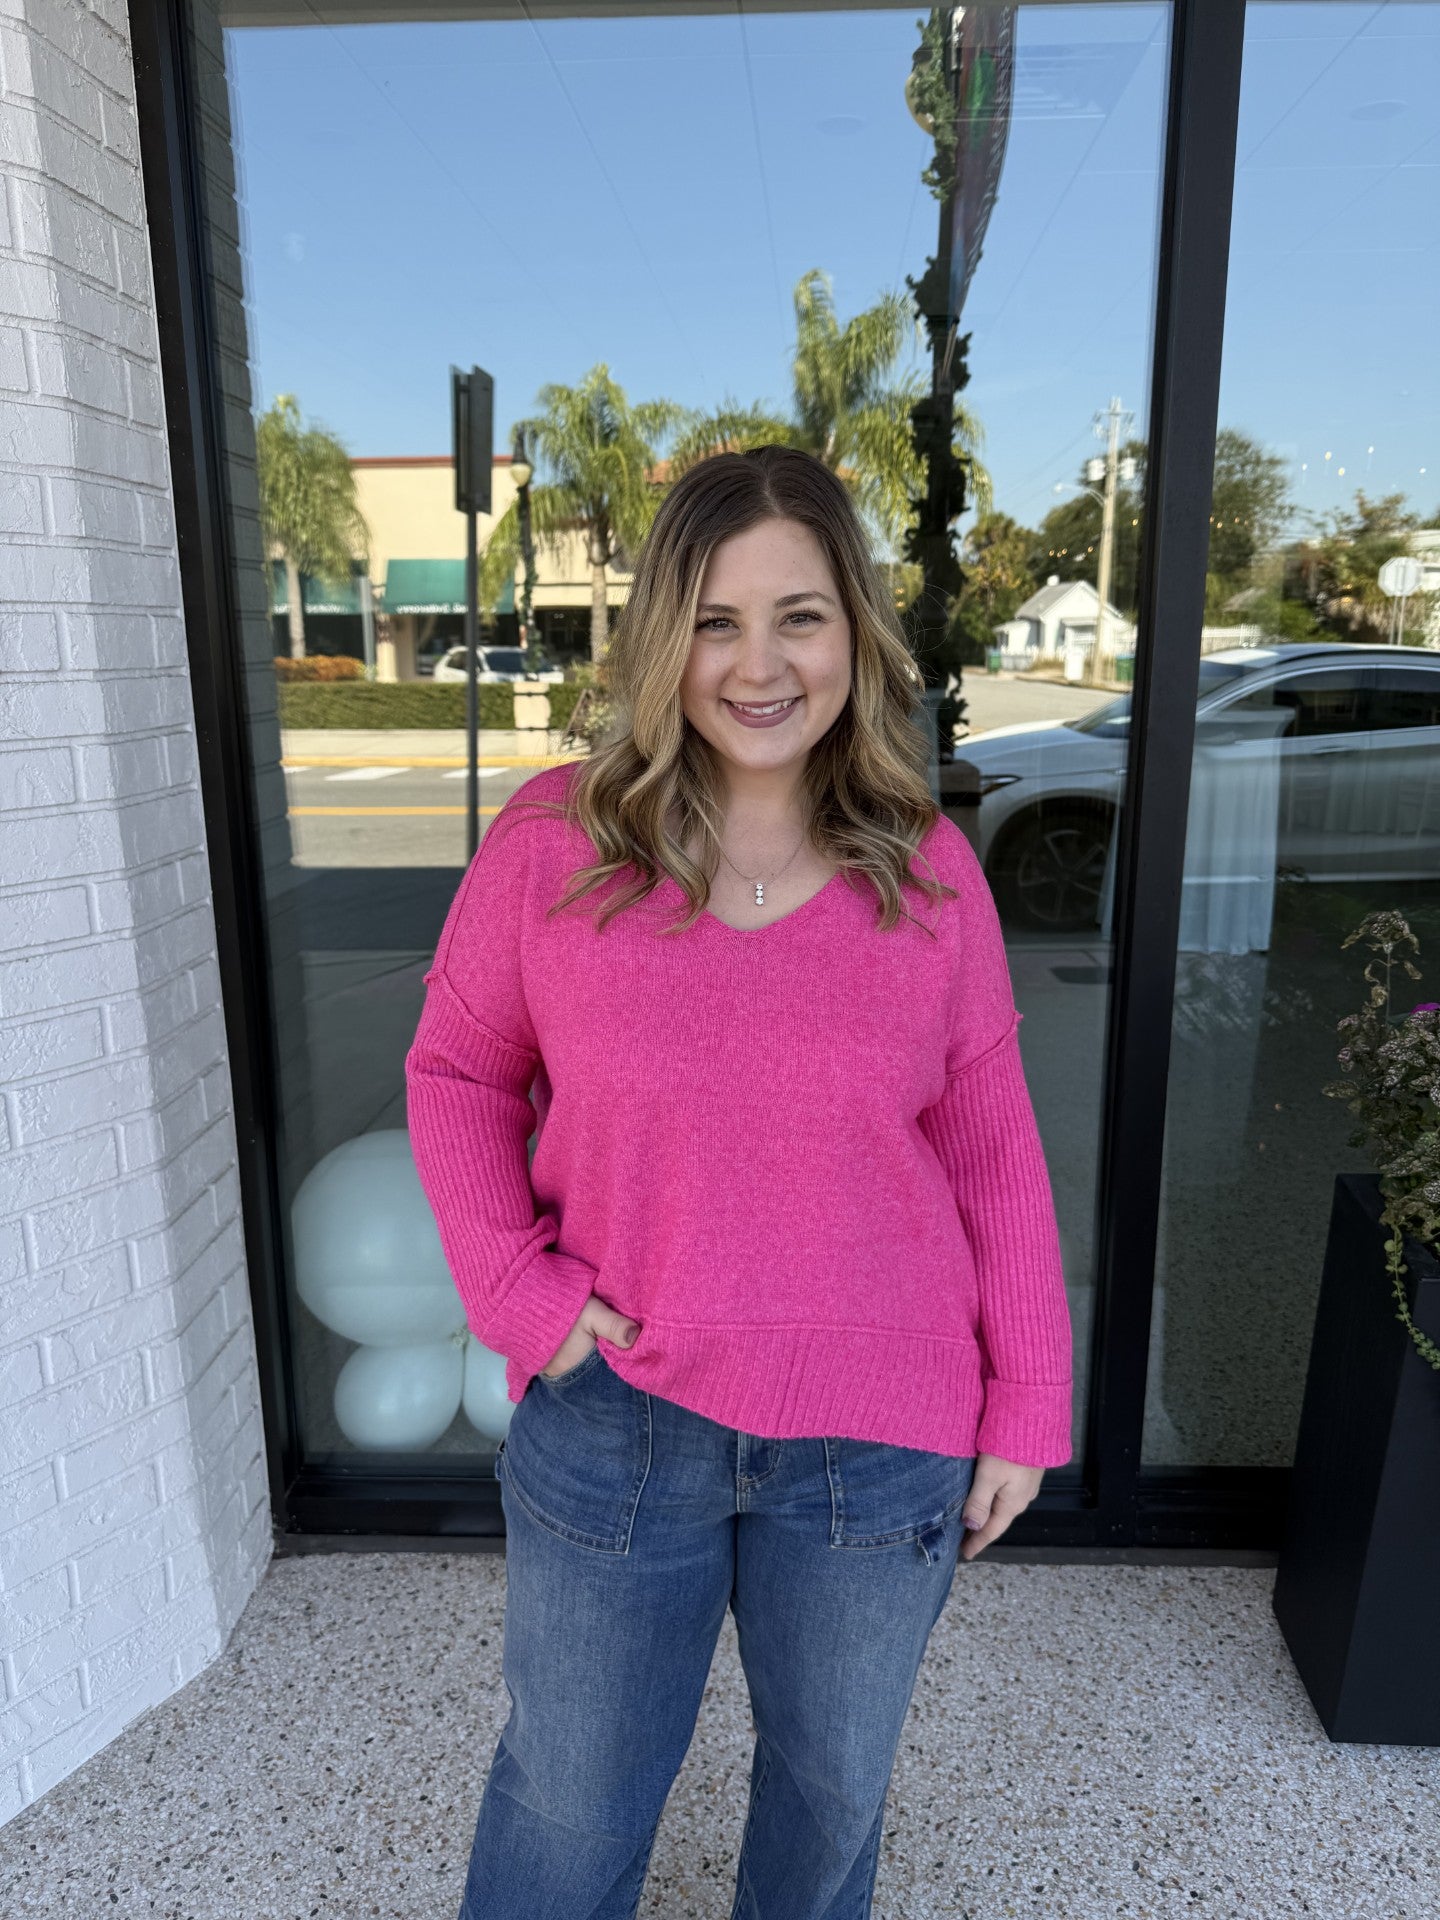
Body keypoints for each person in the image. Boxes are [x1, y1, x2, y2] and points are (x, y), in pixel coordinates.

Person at [405, 444, 1073, 1920]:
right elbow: (456, 1080)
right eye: (716, 621)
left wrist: (1028, 1397)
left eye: (800, 616)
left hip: (879, 1435)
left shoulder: (928, 871)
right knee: (569, 1803)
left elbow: (993, 1152)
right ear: (663, 638)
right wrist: (522, 1296)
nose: (759, 666)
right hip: (617, 1415)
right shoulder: (554, 847)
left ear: (856, 633)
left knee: (830, 1804)